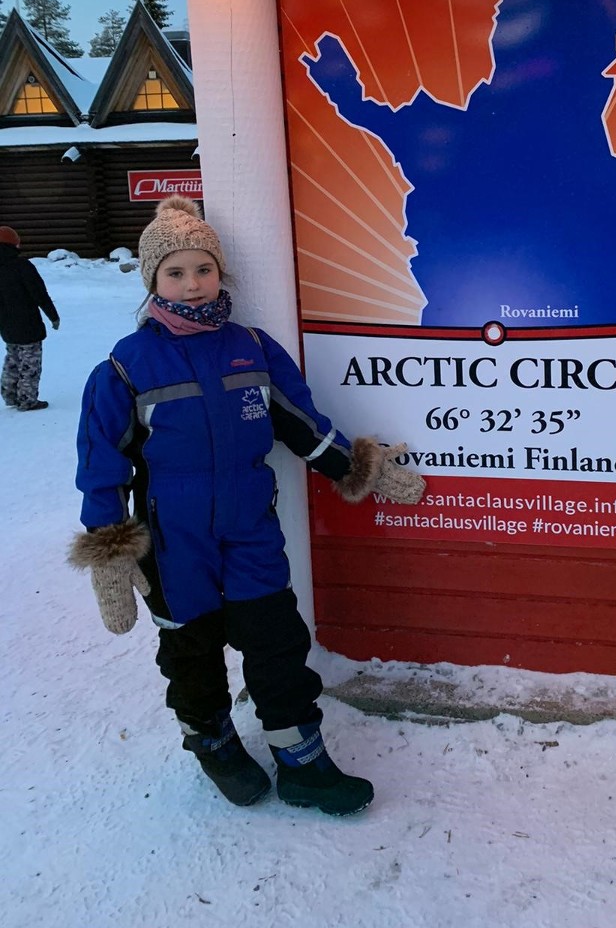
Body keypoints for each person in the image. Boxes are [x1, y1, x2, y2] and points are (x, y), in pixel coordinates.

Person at [70, 196, 424, 816]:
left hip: (249, 530)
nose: (192, 284)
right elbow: (101, 467)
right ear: (153, 279)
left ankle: (302, 759)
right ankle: (214, 744)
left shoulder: (252, 348)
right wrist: (110, 554)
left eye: (203, 269)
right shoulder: (124, 367)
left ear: (220, 272)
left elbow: (302, 424)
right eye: (175, 272)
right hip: (174, 545)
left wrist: (360, 466)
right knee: (191, 653)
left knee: (277, 642)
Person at [0, 225, 60, 411]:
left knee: (13, 358)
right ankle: (27, 400)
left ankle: (9, 395)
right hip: (28, 324)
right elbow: (39, 293)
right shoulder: (22, 266)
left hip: (6, 325)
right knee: (30, 362)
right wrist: (53, 316)